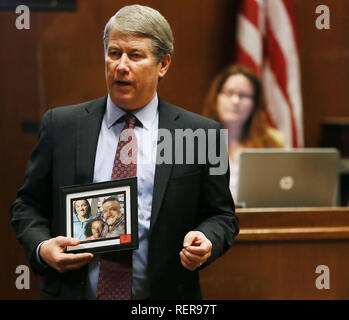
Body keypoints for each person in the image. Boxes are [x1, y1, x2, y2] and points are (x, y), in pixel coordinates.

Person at [9, 5, 238, 300]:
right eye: (114, 53)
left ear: (163, 64)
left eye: (135, 55)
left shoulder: (200, 134)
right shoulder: (61, 126)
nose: (121, 65)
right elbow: (27, 205)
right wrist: (42, 248)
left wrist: (206, 239)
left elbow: (222, 215)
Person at [203, 64, 286, 199]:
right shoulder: (196, 140)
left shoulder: (272, 142)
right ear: (216, 97)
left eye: (244, 96)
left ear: (255, 103)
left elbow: (285, 189)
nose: (235, 101)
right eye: (229, 93)